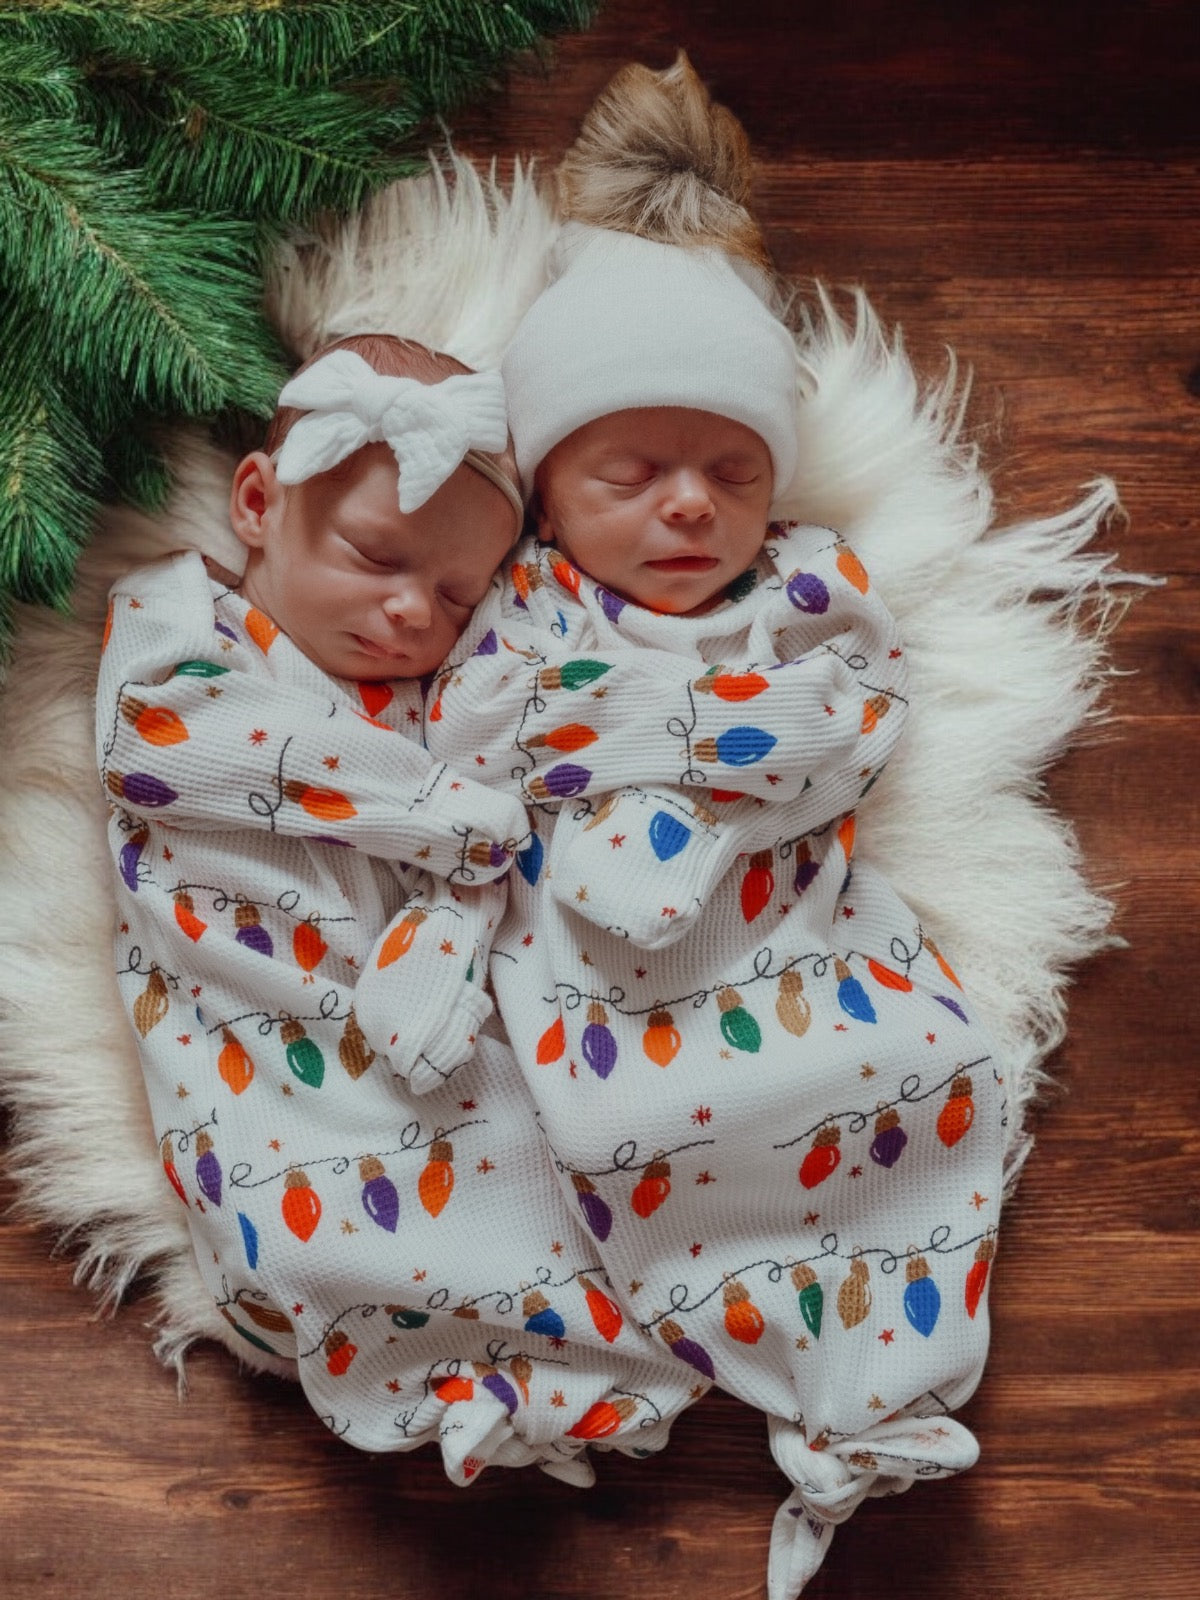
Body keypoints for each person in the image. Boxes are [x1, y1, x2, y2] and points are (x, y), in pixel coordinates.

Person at [422, 58, 1006, 1597]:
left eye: (731, 471)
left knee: (937, 1081)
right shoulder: (523, 606)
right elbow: (478, 740)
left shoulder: (805, 592)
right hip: (596, 990)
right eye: (635, 471)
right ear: (547, 492)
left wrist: (675, 746)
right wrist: (688, 742)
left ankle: (880, 1398)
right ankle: (625, 1367)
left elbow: (853, 729)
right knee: (571, 1138)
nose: (690, 505)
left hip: (798, 943)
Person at [96, 332, 699, 1483]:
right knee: (304, 1222)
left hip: (411, 1000)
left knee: (542, 1155)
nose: (412, 610)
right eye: (376, 557)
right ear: (260, 502)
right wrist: (451, 814)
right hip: (250, 1011)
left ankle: (535, 1379)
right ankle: (396, 1356)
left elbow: (503, 838)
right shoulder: (178, 620)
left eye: (453, 589)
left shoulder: (440, 698)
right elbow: (163, 749)